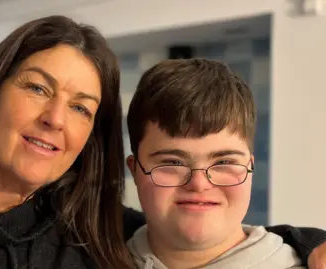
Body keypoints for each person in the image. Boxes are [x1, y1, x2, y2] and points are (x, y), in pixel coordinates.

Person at [0, 15, 325, 269]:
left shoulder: (93, 231)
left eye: (81, 107)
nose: (55, 118)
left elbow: (208, 229)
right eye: (37, 87)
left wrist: (310, 243)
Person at [125, 58, 320, 268]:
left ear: (250, 168)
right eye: (172, 162)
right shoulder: (96, 261)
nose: (199, 184)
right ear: (135, 170)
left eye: (224, 161)